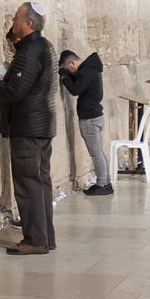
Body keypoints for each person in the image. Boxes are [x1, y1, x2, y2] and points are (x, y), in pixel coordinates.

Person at [0, 2, 57, 255]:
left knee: (28, 184)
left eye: (17, 17)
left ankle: (35, 240)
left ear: (28, 23)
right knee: (40, 182)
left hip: (28, 126)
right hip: (42, 125)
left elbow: (15, 91)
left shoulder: (29, 51)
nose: (13, 21)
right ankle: (45, 237)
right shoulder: (44, 47)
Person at [58, 49, 112, 195]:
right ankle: (106, 181)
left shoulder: (87, 71)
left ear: (72, 62)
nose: (70, 71)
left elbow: (75, 89)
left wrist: (64, 77)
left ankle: (102, 185)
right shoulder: (91, 69)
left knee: (96, 153)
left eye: (68, 68)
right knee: (99, 152)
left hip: (90, 119)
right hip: (95, 116)